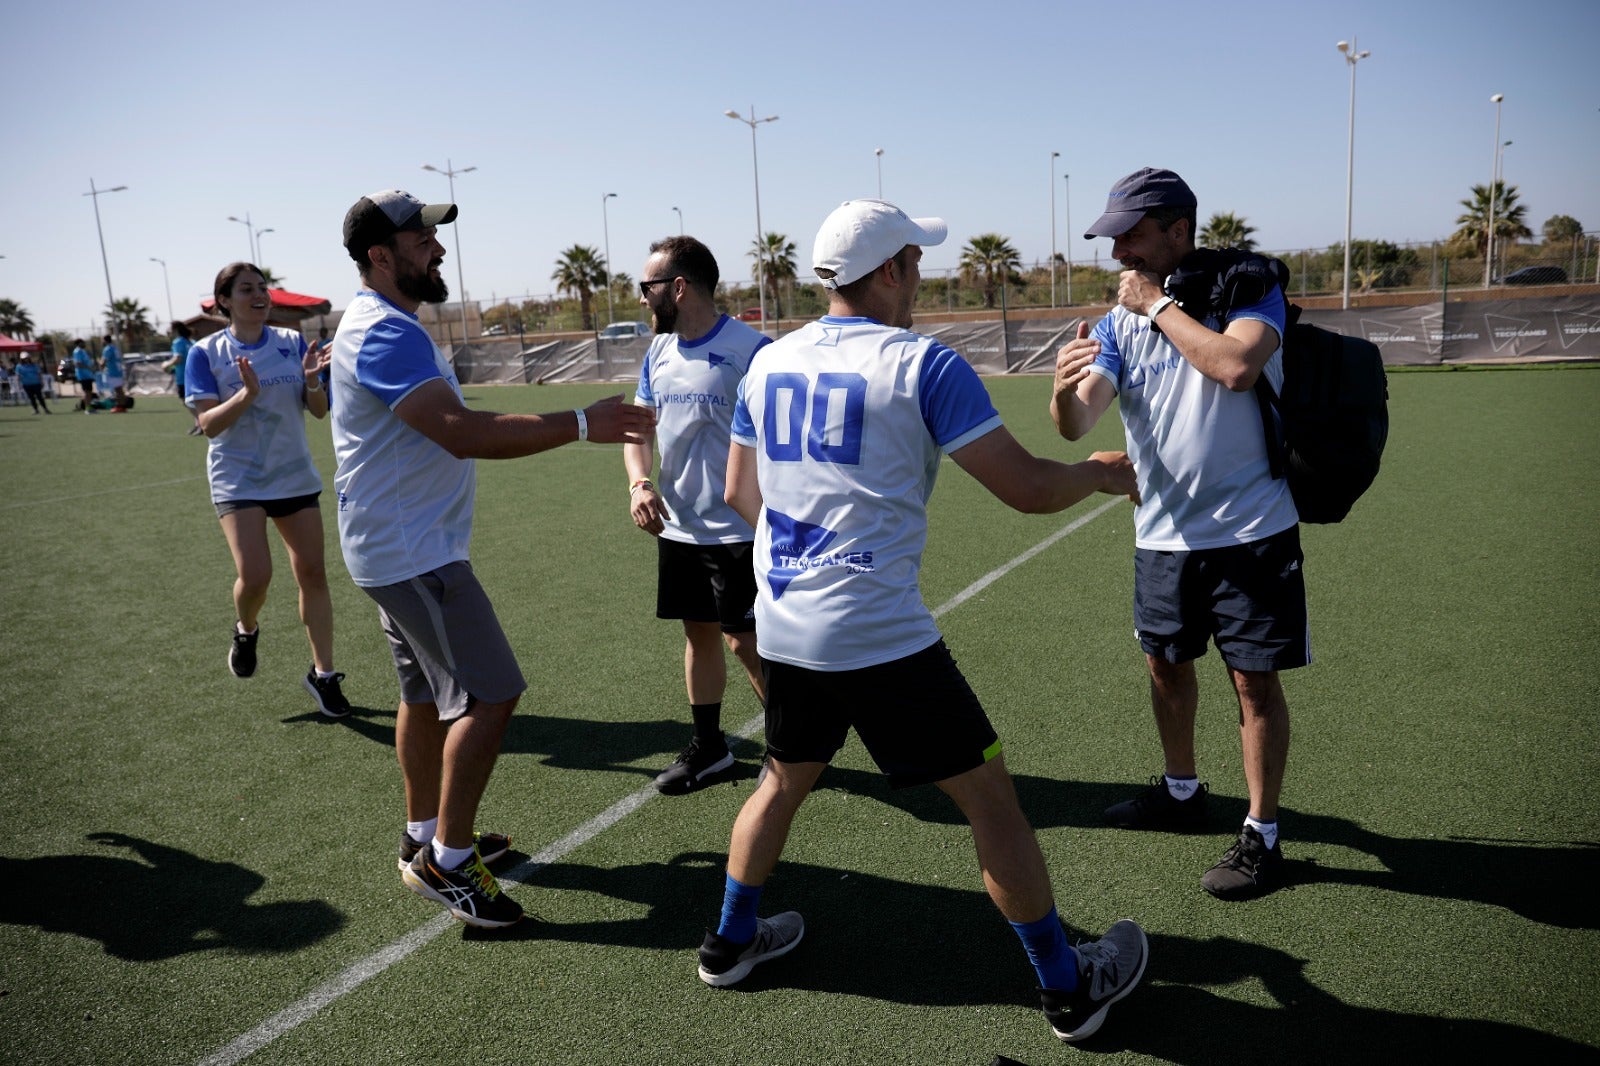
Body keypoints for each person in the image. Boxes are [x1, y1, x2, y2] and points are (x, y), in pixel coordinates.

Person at [697, 199, 1148, 1045]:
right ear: (893, 270)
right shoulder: (922, 364)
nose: (922, 276)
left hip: (788, 624)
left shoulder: (768, 362)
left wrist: (805, 557)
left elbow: (737, 496)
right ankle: (1068, 989)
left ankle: (727, 942)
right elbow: (1025, 489)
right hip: (878, 634)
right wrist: (1094, 473)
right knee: (993, 804)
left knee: (782, 779)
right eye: (916, 260)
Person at [329, 189, 653, 928]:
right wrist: (582, 422)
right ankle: (449, 861)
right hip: (414, 552)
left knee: (420, 698)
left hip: (393, 546)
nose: (437, 249)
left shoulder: (383, 323)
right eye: (420, 241)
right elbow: (461, 432)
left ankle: (420, 837)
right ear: (380, 256)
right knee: (489, 695)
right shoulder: (384, 331)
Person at [1050, 167, 1305, 901]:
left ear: (1177, 231)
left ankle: (1262, 833)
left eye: (1130, 234)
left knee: (1253, 682)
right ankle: (1183, 791)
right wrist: (1065, 387)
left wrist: (1157, 305)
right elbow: (1080, 421)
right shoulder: (1120, 320)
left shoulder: (1250, 290)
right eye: (1112, 236)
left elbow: (1235, 366)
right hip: (1161, 534)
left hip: (1252, 529)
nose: (1117, 251)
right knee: (1166, 666)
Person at [623, 236, 770, 794]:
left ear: (678, 288)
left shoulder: (753, 351)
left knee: (746, 642)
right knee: (700, 635)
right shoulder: (657, 352)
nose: (642, 299)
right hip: (679, 527)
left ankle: (794, 744)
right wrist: (639, 482)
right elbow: (639, 429)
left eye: (647, 288)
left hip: (741, 528)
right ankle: (711, 748)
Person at [185, 261, 351, 718]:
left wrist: (314, 380)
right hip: (238, 479)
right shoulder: (205, 353)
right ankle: (246, 628)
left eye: (263, 287)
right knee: (256, 576)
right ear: (224, 301)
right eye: (246, 289)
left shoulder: (292, 343)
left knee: (313, 573)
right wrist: (245, 395)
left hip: (293, 475)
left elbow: (317, 411)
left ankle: (323, 674)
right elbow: (208, 425)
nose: (259, 295)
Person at [164, 322, 200, 434]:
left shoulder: (178, 341)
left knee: (187, 401)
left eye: (170, 329)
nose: (168, 331)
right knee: (194, 402)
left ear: (176, 330)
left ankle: (202, 422)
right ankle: (198, 424)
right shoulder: (190, 341)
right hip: (194, 375)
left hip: (184, 377)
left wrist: (166, 364)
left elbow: (178, 358)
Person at [71, 339, 97, 411]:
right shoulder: (77, 351)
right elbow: (78, 363)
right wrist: (88, 367)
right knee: (87, 391)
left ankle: (88, 406)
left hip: (88, 375)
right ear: (78, 344)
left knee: (89, 391)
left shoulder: (83, 351)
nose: (84, 344)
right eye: (82, 343)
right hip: (83, 375)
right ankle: (87, 408)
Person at [100, 334, 126, 404]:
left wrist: (101, 367)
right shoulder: (115, 348)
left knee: (117, 390)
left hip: (113, 371)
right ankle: (122, 405)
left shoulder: (108, 349)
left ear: (105, 340)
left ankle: (120, 405)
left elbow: (103, 361)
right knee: (119, 389)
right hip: (118, 371)